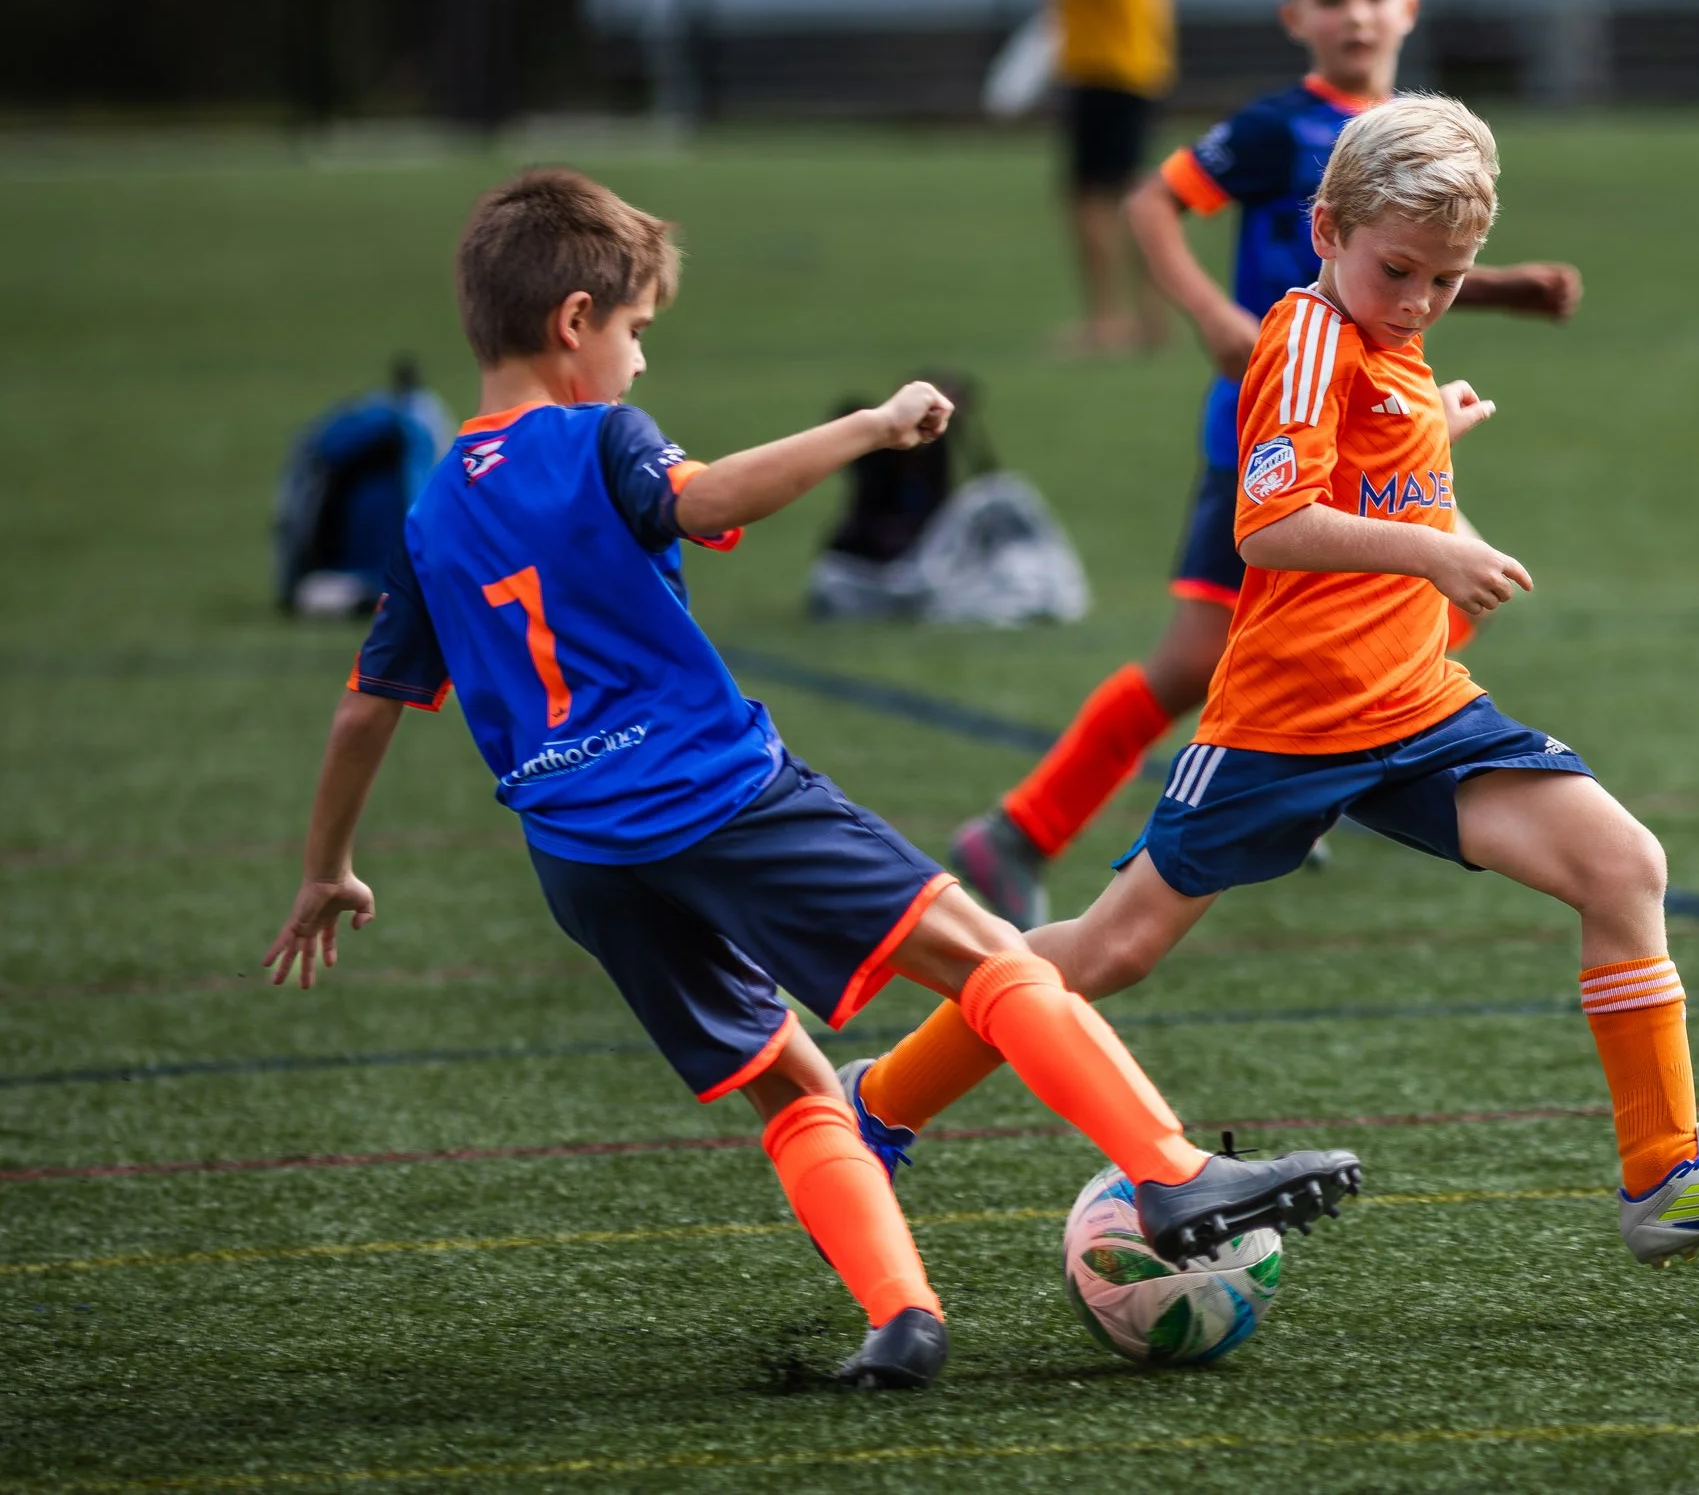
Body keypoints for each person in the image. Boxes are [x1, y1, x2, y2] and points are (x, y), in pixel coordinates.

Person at [263, 168, 1362, 1391]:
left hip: (580, 857)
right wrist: (870, 428)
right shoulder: (596, 436)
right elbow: (703, 497)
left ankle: (902, 1316)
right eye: (636, 335)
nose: (639, 366)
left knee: (789, 1083)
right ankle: (1167, 1168)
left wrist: (327, 867)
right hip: (712, 787)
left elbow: (369, 703)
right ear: (576, 322)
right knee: (991, 956)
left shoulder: (426, 514)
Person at [861, 99, 1699, 1270]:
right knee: (1112, 951)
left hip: (1415, 706)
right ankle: (882, 1098)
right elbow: (1269, 524)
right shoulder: (1310, 334)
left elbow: (1360, 470)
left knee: (1622, 863)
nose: (1421, 299)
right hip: (1288, 718)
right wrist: (1438, 548)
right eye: (1401, 271)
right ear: (1324, 230)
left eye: (1447, 279)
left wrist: (1434, 443)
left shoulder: (1388, 335)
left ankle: (1664, 1171)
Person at [952, 0, 1583, 928]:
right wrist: (1209, 313)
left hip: (1376, 440)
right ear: (1297, 16)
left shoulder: (1414, 142)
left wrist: (1506, 288)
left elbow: (1417, 270)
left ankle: (1326, 755)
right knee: (1192, 661)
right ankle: (1020, 829)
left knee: (1450, 596)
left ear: (1408, 6)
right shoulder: (1277, 129)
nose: (1357, 16)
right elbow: (1151, 201)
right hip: (1272, 443)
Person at [1020, 0, 1172, 355]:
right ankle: (1151, 318)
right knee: (1134, 194)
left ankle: (1107, 321)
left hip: (1104, 66)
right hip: (1143, 61)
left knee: (1090, 196)